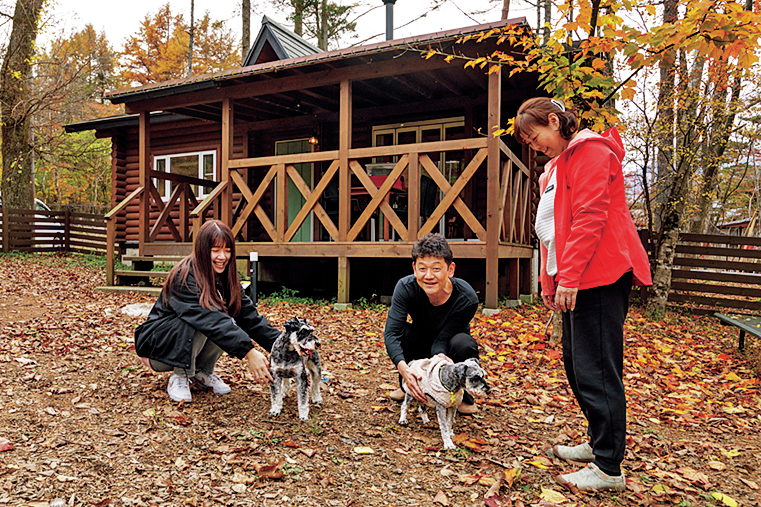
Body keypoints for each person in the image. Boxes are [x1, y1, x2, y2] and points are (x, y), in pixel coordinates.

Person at [514, 97, 652, 491]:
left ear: (555, 121)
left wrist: (569, 276)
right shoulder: (558, 166)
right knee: (577, 365)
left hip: (601, 273)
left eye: (535, 134)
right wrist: (550, 279)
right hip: (575, 275)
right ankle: (597, 443)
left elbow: (591, 216)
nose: (533, 144)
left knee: (598, 370)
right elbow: (550, 230)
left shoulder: (591, 151)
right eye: (528, 140)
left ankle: (609, 468)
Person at [135, 220, 279, 403]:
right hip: (158, 349)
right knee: (207, 319)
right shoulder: (185, 276)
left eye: (227, 250)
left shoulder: (227, 278)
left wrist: (285, 346)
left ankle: (202, 372)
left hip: (184, 345)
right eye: (216, 250)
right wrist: (249, 352)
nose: (222, 256)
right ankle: (180, 376)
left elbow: (251, 318)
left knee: (227, 316)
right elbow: (210, 320)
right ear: (203, 250)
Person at [384, 233, 481, 414]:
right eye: (422, 269)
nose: (428, 276)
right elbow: (391, 333)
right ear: (414, 269)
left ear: (450, 270)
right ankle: (408, 383)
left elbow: (443, 338)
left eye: (436, 269)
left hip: (449, 347)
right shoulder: (405, 287)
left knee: (464, 343)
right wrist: (402, 368)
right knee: (402, 331)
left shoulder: (467, 298)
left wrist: (439, 355)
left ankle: (461, 394)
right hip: (420, 341)